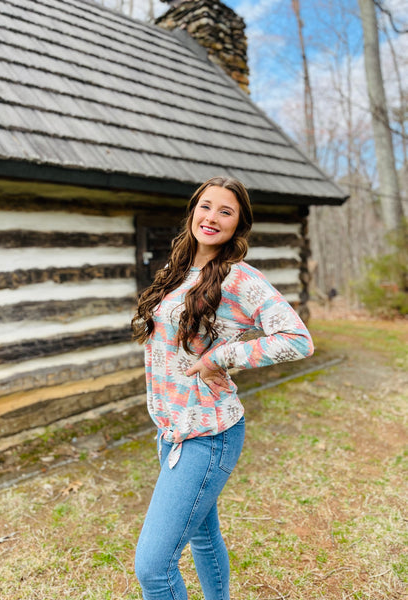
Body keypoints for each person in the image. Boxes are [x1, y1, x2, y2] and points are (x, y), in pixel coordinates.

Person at [131, 176, 314, 600]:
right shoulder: (176, 271)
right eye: (206, 206)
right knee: (203, 538)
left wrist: (222, 357)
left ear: (238, 225)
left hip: (208, 433)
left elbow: (298, 339)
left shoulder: (238, 278)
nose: (212, 217)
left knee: (153, 568)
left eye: (225, 211)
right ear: (193, 210)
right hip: (172, 427)